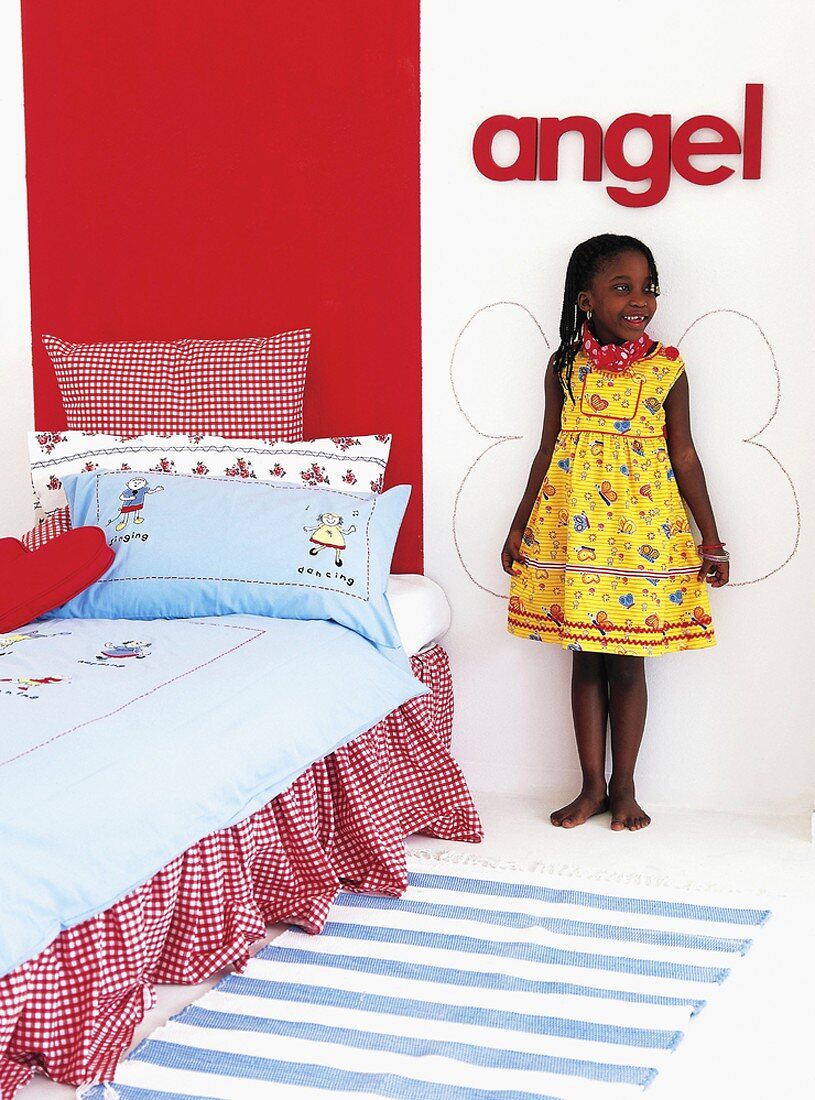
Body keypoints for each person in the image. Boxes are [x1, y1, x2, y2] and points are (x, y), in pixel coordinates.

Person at [502, 234, 728, 832]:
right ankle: (591, 786)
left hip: (643, 539)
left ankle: (625, 786)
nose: (640, 300)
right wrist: (520, 523)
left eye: (648, 288)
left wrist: (710, 538)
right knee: (585, 661)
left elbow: (684, 455)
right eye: (622, 287)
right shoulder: (564, 369)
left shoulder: (667, 368)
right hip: (575, 537)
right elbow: (547, 449)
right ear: (586, 299)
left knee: (628, 665)